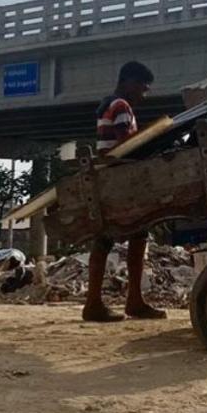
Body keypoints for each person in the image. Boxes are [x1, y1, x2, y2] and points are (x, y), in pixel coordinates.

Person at [81, 61, 167, 323]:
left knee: (121, 236)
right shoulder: (121, 106)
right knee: (125, 235)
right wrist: (154, 138)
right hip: (121, 179)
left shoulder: (110, 103)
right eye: (143, 87)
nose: (143, 94)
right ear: (129, 82)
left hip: (110, 178)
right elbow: (125, 145)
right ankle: (111, 302)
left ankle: (118, 301)